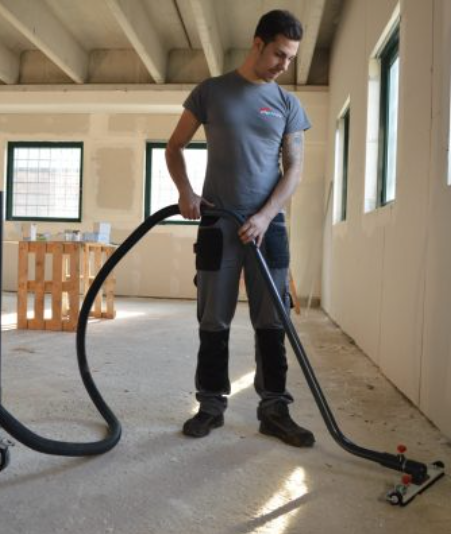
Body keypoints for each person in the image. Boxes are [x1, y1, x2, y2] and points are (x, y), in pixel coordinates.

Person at [165, 9, 315, 447]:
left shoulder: (287, 104)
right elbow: (174, 147)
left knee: (273, 320)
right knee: (213, 319)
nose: (284, 65)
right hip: (217, 223)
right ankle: (211, 405)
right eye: (279, 54)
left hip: (268, 227)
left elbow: (295, 169)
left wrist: (266, 215)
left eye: (291, 58)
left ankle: (275, 409)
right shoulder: (211, 92)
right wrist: (186, 191)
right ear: (258, 43)